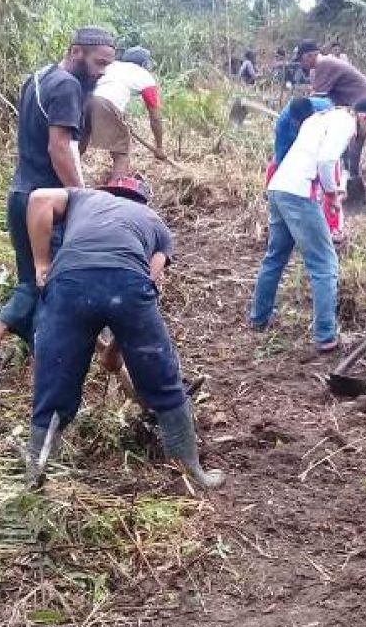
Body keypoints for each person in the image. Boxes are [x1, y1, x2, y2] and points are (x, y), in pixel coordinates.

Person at [22, 176, 224, 490]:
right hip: (126, 282)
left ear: (107, 192)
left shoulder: (82, 198)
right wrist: (118, 349)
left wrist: (41, 263)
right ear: (143, 200)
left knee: (55, 380)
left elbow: (37, 199)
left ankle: (35, 473)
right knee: (163, 380)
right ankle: (191, 474)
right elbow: (146, 282)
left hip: (69, 282)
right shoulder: (156, 224)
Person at [0, 26, 116, 386]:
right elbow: (60, 148)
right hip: (46, 204)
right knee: (51, 281)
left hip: (20, 196)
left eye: (107, 66)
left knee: (33, 278)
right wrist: (83, 199)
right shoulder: (67, 86)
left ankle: (39, 359)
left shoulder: (37, 79)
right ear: (76, 52)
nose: (101, 72)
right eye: (98, 63)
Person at [247, 98, 366, 352]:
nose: (365, 137)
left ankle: (259, 317)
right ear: (365, 117)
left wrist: (336, 188)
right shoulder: (346, 123)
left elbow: (327, 160)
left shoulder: (323, 117)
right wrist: (331, 193)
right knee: (325, 263)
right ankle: (326, 335)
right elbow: (325, 160)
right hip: (298, 194)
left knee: (275, 256)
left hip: (279, 187)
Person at [296, 39, 366, 213]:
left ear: (311, 55)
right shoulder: (322, 66)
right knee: (348, 153)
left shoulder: (324, 64)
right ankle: (349, 194)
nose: (301, 63)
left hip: (364, 108)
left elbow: (318, 100)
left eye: (302, 58)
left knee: (352, 151)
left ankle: (353, 200)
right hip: (360, 105)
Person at [85, 45, 167, 181]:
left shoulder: (112, 66)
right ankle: (117, 191)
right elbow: (155, 116)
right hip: (105, 103)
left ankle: (67, 181)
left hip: (84, 100)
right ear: (144, 64)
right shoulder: (144, 76)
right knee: (122, 151)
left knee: (79, 143)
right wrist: (159, 147)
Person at [268, 96, 343, 242]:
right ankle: (278, 213)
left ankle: (333, 227)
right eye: (302, 124)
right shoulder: (284, 126)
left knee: (330, 176)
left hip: (322, 146)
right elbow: (281, 160)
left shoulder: (325, 108)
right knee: (277, 168)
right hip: (294, 146)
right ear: (294, 121)